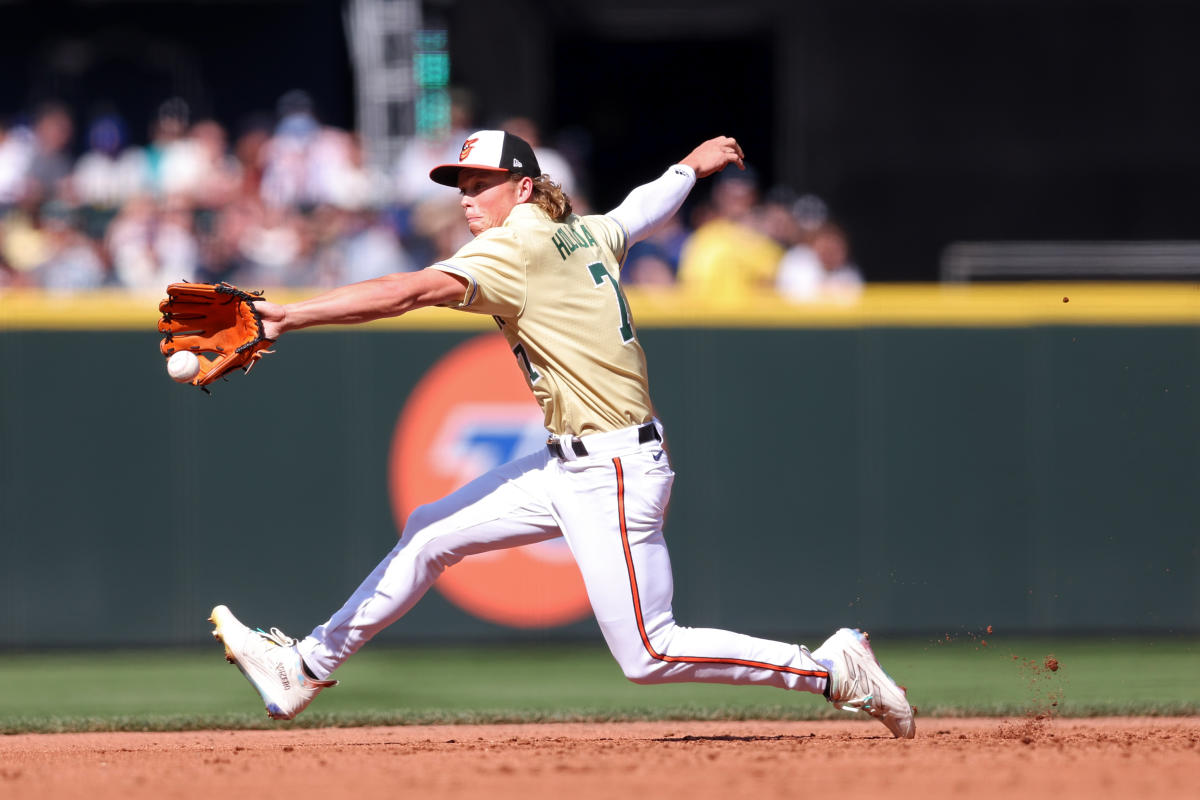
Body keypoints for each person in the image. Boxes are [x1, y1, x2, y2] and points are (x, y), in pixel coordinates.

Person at [209, 130, 915, 739]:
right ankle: (304, 668)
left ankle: (830, 670)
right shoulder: (583, 231)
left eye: (481, 182)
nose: (466, 196)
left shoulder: (513, 248)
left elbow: (408, 291)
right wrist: (688, 170)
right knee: (428, 531)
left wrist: (287, 317)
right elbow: (639, 209)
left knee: (648, 653)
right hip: (571, 466)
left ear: (522, 188)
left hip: (612, 470)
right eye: (460, 182)